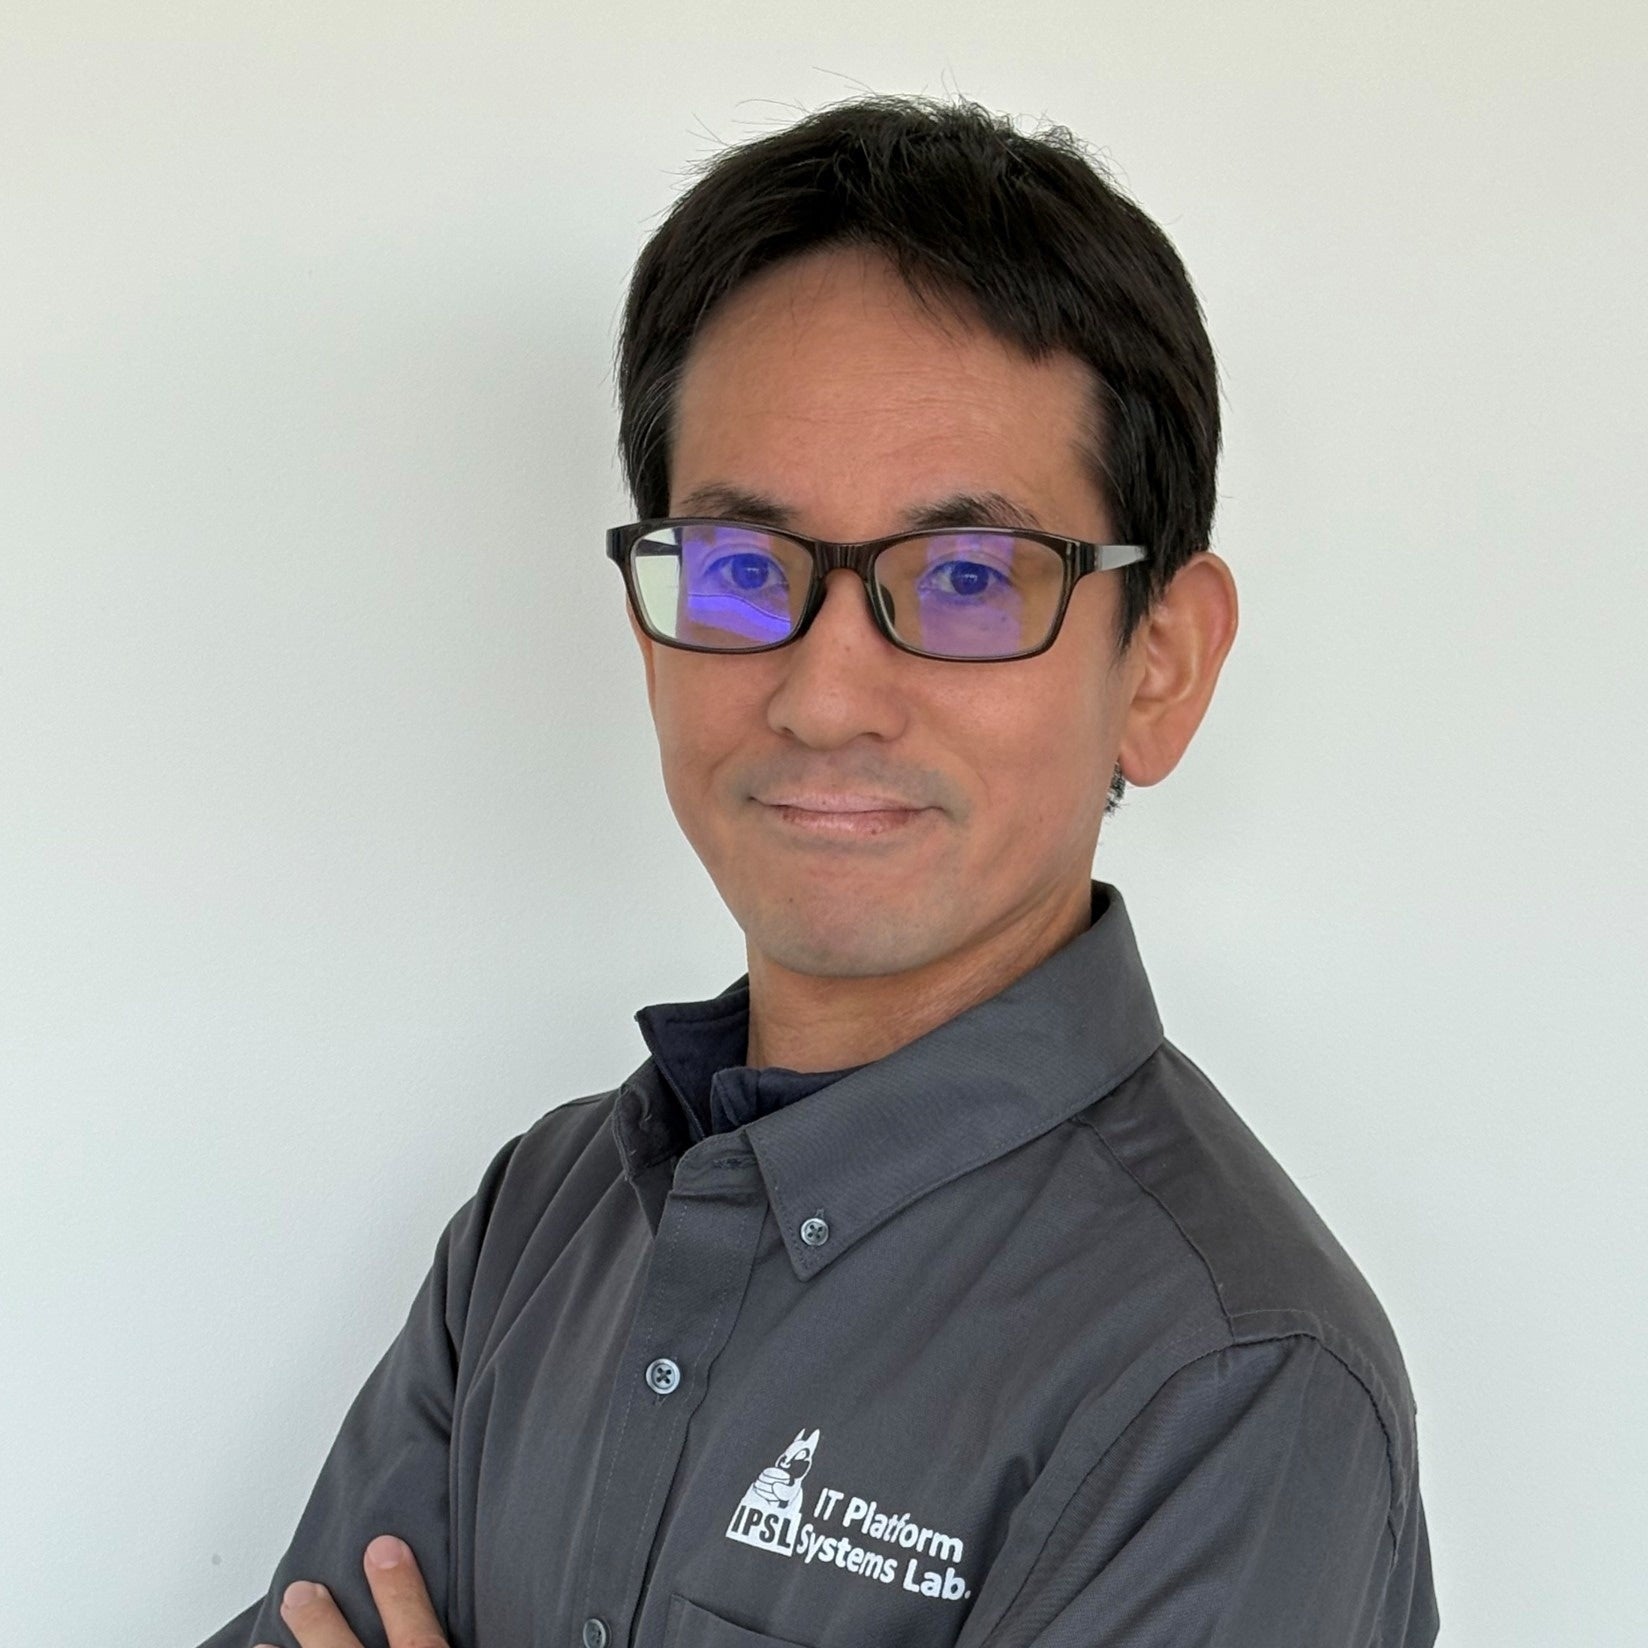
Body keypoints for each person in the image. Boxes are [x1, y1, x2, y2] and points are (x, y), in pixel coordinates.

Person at [201, 95, 1438, 1648]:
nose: (825, 693)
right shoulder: (541, 1222)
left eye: (969, 575)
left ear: (1161, 665)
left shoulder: (1230, 1383)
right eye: (738, 570)